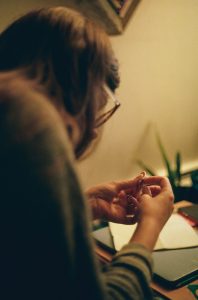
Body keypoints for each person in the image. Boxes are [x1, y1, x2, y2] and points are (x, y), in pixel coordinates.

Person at [0, 7, 174, 300]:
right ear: (80, 82)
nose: (93, 131)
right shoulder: (32, 123)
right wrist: (150, 226)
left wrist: (83, 205)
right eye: (97, 104)